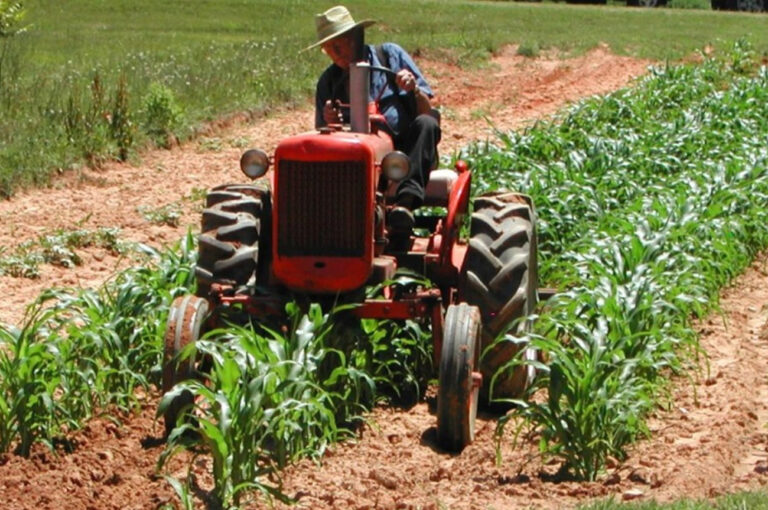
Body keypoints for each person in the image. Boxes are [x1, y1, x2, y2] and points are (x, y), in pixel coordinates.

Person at [305, 5, 441, 234]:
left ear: (355, 38)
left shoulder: (389, 56)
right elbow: (322, 136)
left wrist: (413, 89)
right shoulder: (328, 82)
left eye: (338, 44)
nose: (335, 53)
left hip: (403, 154)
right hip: (352, 158)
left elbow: (428, 111)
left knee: (427, 124)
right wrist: (331, 122)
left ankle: (405, 205)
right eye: (328, 49)